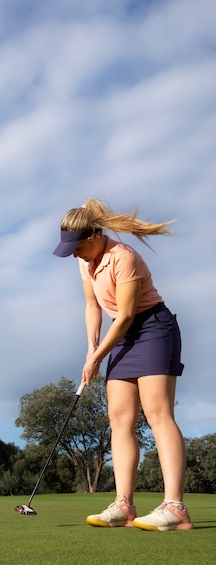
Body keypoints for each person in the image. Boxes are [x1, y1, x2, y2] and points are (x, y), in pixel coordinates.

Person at [53, 198, 193, 531]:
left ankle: (175, 507)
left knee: (158, 413)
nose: (73, 253)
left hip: (153, 329)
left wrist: (99, 355)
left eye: (77, 246)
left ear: (95, 236)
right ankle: (124, 504)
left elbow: (129, 314)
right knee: (119, 419)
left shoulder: (123, 258)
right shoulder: (85, 262)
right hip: (121, 334)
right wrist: (91, 347)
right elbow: (93, 306)